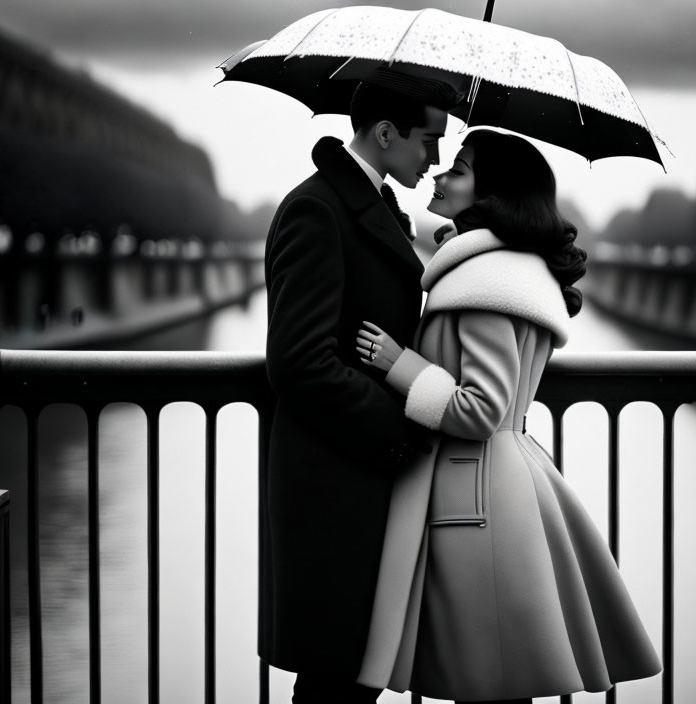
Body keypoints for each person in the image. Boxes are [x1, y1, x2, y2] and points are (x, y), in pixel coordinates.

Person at [355, 130, 662, 703]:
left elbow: (480, 408)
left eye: (461, 169)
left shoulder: (484, 281)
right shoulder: (504, 271)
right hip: (494, 485)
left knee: (487, 678)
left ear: (494, 196)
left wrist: (401, 366)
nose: (442, 175)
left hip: (475, 496)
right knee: (497, 678)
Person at [262, 73, 463, 704]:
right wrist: (398, 426)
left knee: (347, 675)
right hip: (337, 480)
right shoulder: (316, 210)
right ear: (385, 133)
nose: (435, 158)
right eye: (429, 139)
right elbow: (299, 360)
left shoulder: (360, 203)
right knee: (337, 677)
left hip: (355, 473)